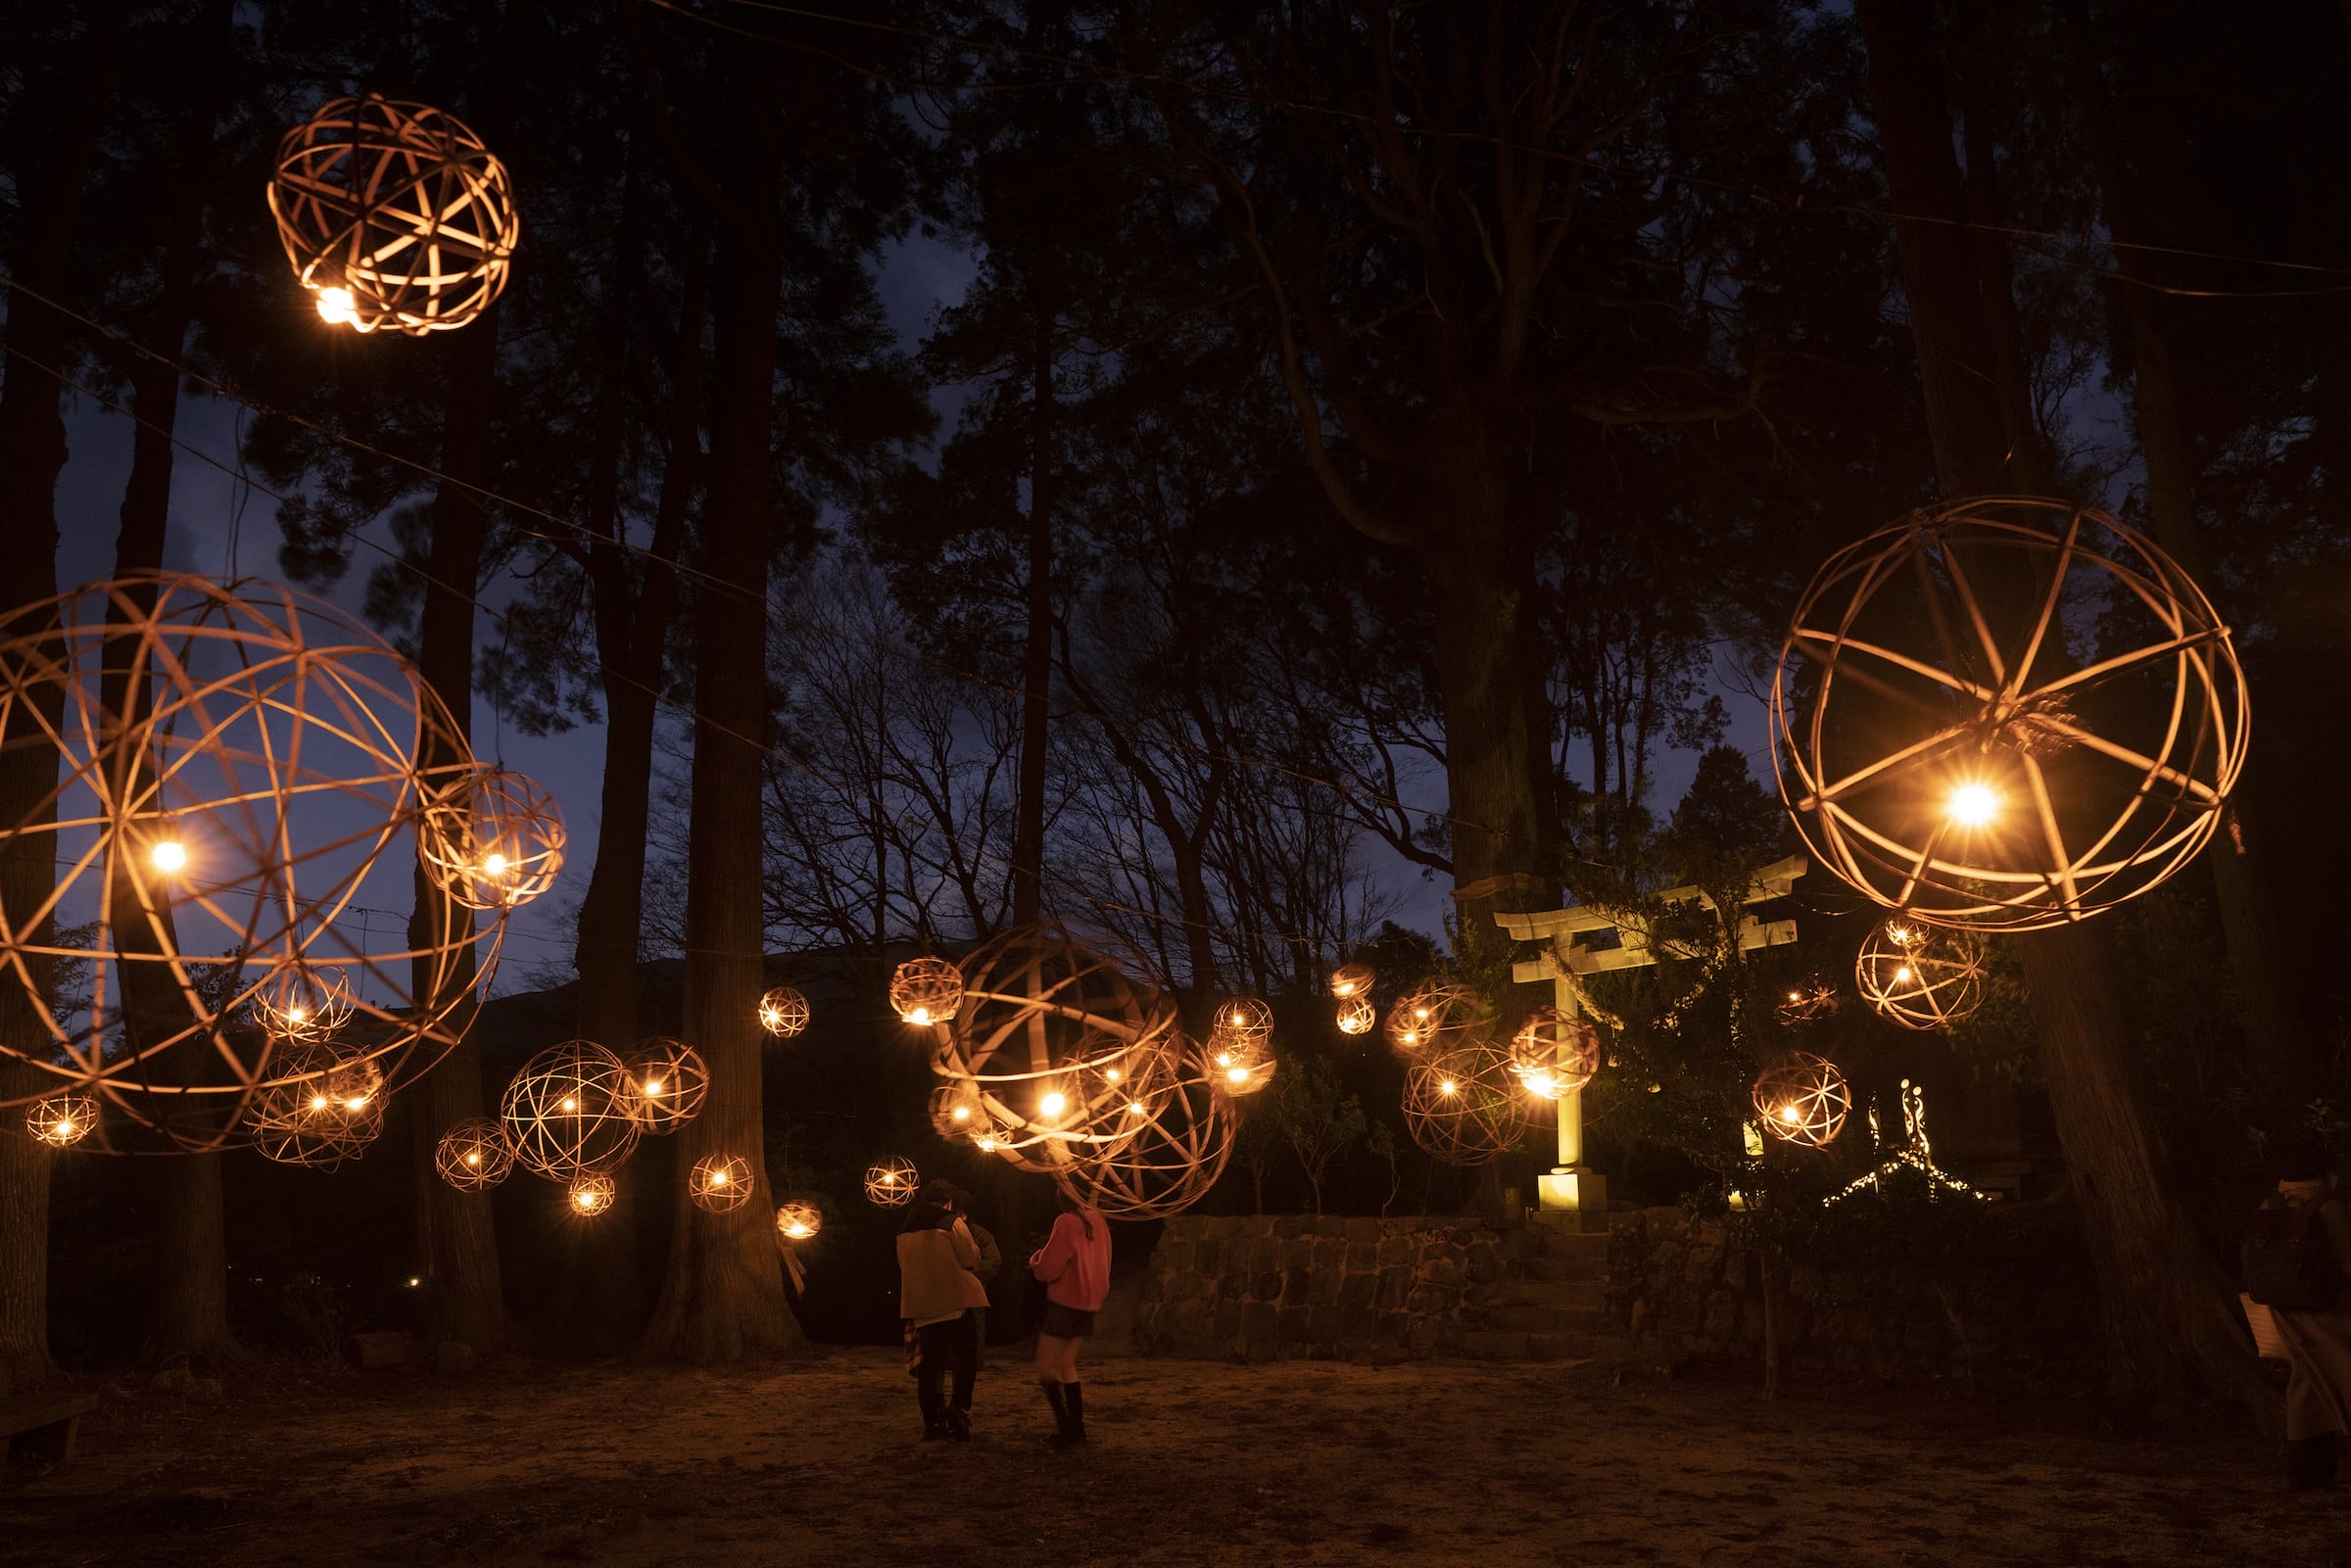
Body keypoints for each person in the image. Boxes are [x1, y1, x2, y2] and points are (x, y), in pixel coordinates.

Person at [2253, 1137, 2351, 1490]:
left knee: (2305, 1383)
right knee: (2342, 1374)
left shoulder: (2271, 1204)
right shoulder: (2328, 1207)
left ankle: (2307, 1469)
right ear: (2325, 1173)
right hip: (2327, 1308)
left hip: (2283, 1307)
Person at [895, 1179, 988, 1443]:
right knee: (966, 1357)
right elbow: (970, 1258)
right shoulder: (951, 1222)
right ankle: (958, 1408)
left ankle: (932, 1421)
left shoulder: (904, 1230)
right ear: (947, 1201)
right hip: (956, 1301)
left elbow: (904, 1265)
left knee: (931, 1365)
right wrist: (976, 1249)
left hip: (922, 1305)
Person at [1028, 1189, 1111, 1449]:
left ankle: (1066, 1430)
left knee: (1045, 1367)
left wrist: (1036, 1261)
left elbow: (1049, 1268)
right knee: (1066, 1364)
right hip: (1088, 1304)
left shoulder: (1066, 1221)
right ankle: (1078, 1430)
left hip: (1065, 1304)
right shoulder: (1099, 1221)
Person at [963, 1212, 1002, 1368]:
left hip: (973, 1291)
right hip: (951, 1291)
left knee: (975, 1326)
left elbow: (993, 1261)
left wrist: (969, 1274)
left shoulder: (980, 1234)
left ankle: (975, 1362)